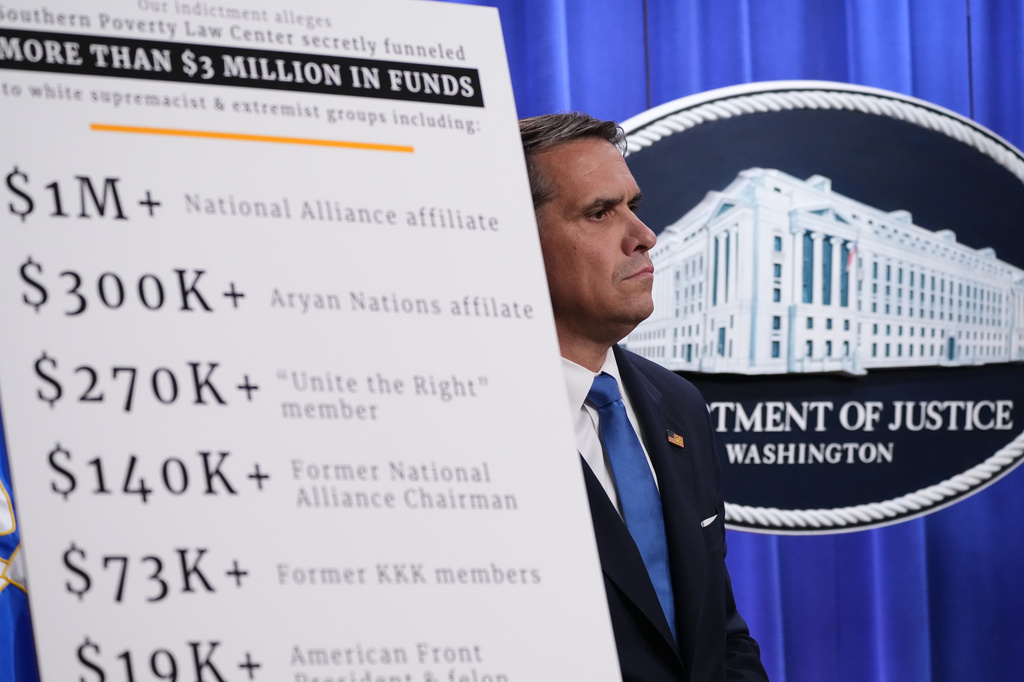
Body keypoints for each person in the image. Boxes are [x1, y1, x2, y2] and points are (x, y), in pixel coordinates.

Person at [520, 112, 768, 681]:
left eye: (633, 205)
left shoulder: (677, 403)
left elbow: (719, 633)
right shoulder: (467, 421)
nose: (644, 236)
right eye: (601, 212)